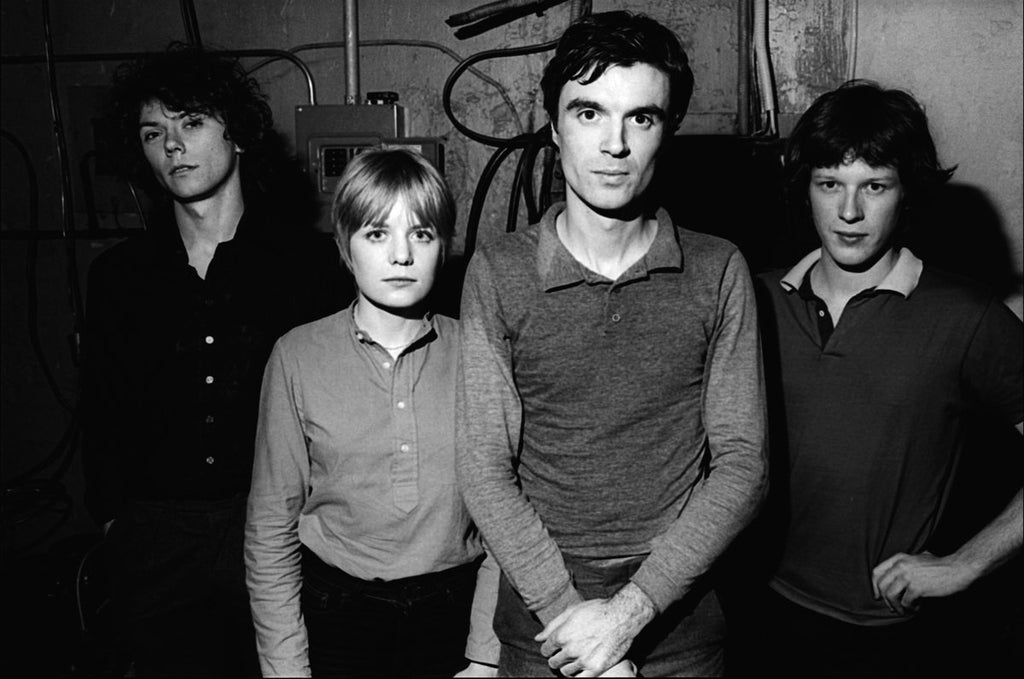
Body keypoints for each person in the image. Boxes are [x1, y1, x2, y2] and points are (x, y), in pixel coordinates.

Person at [456, 11, 768, 677]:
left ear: (669, 130)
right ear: (555, 124)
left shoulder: (719, 270)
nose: (615, 144)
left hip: (681, 635)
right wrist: (580, 629)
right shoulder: (498, 270)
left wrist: (626, 616)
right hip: (546, 634)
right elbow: (484, 467)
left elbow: (744, 466)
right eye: (590, 113)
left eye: (642, 118)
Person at [81, 43, 346, 677]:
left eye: (191, 123)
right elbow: (100, 412)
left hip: (276, 533)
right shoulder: (118, 277)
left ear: (237, 132)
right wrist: (118, 522)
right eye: (154, 132)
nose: (172, 146)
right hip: (154, 543)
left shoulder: (311, 268)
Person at [751, 80, 1023, 676]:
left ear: (906, 194)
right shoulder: (755, 299)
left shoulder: (965, 316)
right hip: (753, 616)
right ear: (807, 192)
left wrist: (967, 563)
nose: (849, 213)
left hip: (884, 637)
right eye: (830, 185)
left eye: (874, 185)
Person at [245, 148, 500, 678]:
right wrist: (285, 666)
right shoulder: (297, 355)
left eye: (422, 234)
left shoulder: (481, 352)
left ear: (445, 247)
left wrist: (484, 652)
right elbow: (271, 525)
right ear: (345, 246)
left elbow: (507, 516)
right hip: (336, 620)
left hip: (453, 616)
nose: (401, 256)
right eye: (377, 234)